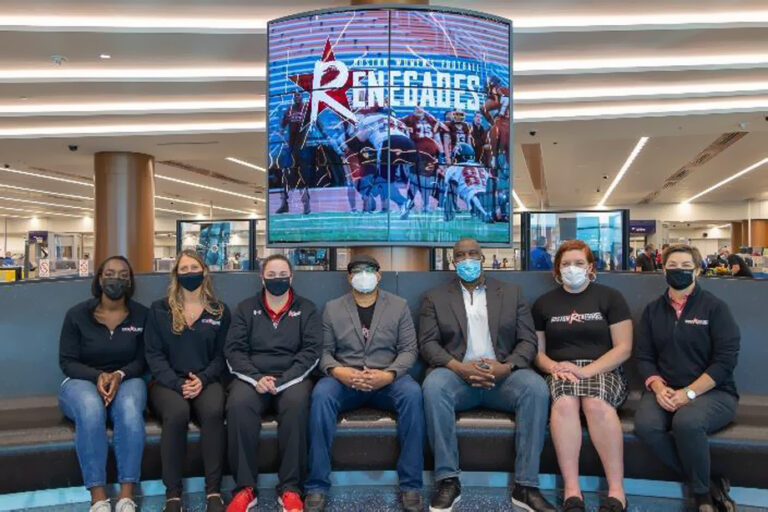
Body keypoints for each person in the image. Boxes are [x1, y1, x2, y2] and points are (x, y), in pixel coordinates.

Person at [419, 238, 554, 512]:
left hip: (504, 377)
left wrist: (506, 367)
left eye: (472, 254)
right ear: (452, 261)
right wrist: (459, 367)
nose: (467, 259)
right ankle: (448, 480)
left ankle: (526, 486)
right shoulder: (435, 297)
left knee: (536, 388)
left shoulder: (512, 292)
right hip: (457, 377)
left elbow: (528, 342)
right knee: (433, 386)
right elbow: (428, 344)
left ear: (482, 257)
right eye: (460, 255)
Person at [304, 255, 424, 512]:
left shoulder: (399, 305)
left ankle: (411, 484)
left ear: (379, 275)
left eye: (369, 270)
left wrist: (389, 374)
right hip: (346, 381)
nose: (363, 275)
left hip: (387, 380)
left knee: (413, 394)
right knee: (321, 395)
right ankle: (317, 485)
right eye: (357, 270)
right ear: (348, 277)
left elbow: (409, 351)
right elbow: (323, 352)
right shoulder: (332, 308)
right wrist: (338, 371)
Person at [634, 244, 740, 512]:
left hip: (714, 393)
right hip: (664, 390)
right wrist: (658, 389)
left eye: (685, 267)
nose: (678, 272)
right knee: (646, 426)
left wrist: (689, 393)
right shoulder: (652, 311)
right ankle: (712, 482)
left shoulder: (716, 309)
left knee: (687, 422)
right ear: (663, 270)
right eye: (672, 267)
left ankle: (702, 495)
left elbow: (725, 361)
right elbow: (644, 357)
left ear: (697, 271)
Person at [532, 240, 633, 512]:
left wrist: (587, 370)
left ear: (590, 267)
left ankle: (616, 490)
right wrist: (554, 367)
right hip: (561, 369)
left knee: (595, 403)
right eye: (566, 264)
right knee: (564, 404)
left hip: (602, 367)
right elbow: (538, 353)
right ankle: (572, 491)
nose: (572, 269)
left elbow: (624, 348)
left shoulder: (611, 298)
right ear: (557, 269)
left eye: (578, 263)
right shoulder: (543, 304)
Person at [225, 254, 322, 512]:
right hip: (253, 378)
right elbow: (234, 351)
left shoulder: (307, 308)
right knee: (237, 405)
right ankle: (245, 488)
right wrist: (256, 378)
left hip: (292, 379)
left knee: (296, 406)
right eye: (271, 275)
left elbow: (312, 352)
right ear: (262, 278)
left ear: (291, 277)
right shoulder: (246, 308)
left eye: (282, 275)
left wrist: (283, 381)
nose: (277, 280)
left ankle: (290, 489)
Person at [58, 256, 147, 512]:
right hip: (80, 381)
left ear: (129, 281)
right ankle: (98, 498)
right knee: (90, 408)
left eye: (122, 274)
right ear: (99, 278)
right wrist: (97, 376)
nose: (115, 279)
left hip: (128, 379)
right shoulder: (77, 315)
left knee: (130, 409)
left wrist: (119, 375)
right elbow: (67, 361)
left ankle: (126, 497)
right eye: (109, 273)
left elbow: (144, 359)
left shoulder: (142, 315)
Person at [144, 250, 231, 512]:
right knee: (177, 413)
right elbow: (153, 354)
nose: (189, 273)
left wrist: (202, 380)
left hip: (206, 380)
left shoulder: (219, 311)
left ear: (204, 272)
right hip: (168, 383)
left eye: (195, 268)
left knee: (214, 412)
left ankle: (213, 491)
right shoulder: (160, 310)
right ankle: (173, 494)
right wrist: (175, 382)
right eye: (184, 269)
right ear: (176, 274)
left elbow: (222, 355)